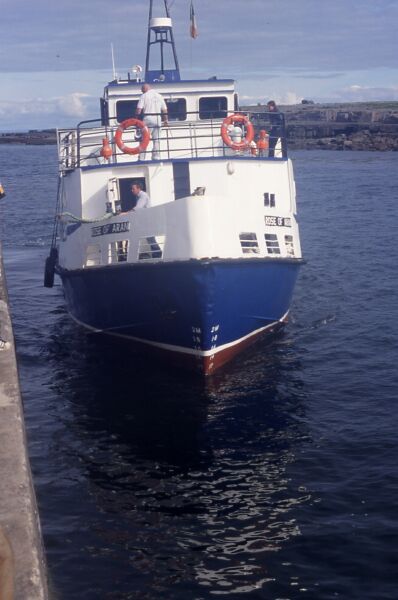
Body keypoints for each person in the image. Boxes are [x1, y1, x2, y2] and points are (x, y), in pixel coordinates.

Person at [136, 84, 168, 160]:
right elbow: (164, 110)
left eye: (142, 90)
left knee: (144, 139)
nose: (142, 92)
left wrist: (136, 120)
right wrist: (166, 120)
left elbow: (139, 109)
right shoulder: (159, 96)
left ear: (145, 89)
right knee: (156, 139)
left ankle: (142, 158)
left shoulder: (144, 96)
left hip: (147, 118)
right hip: (157, 119)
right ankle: (156, 156)